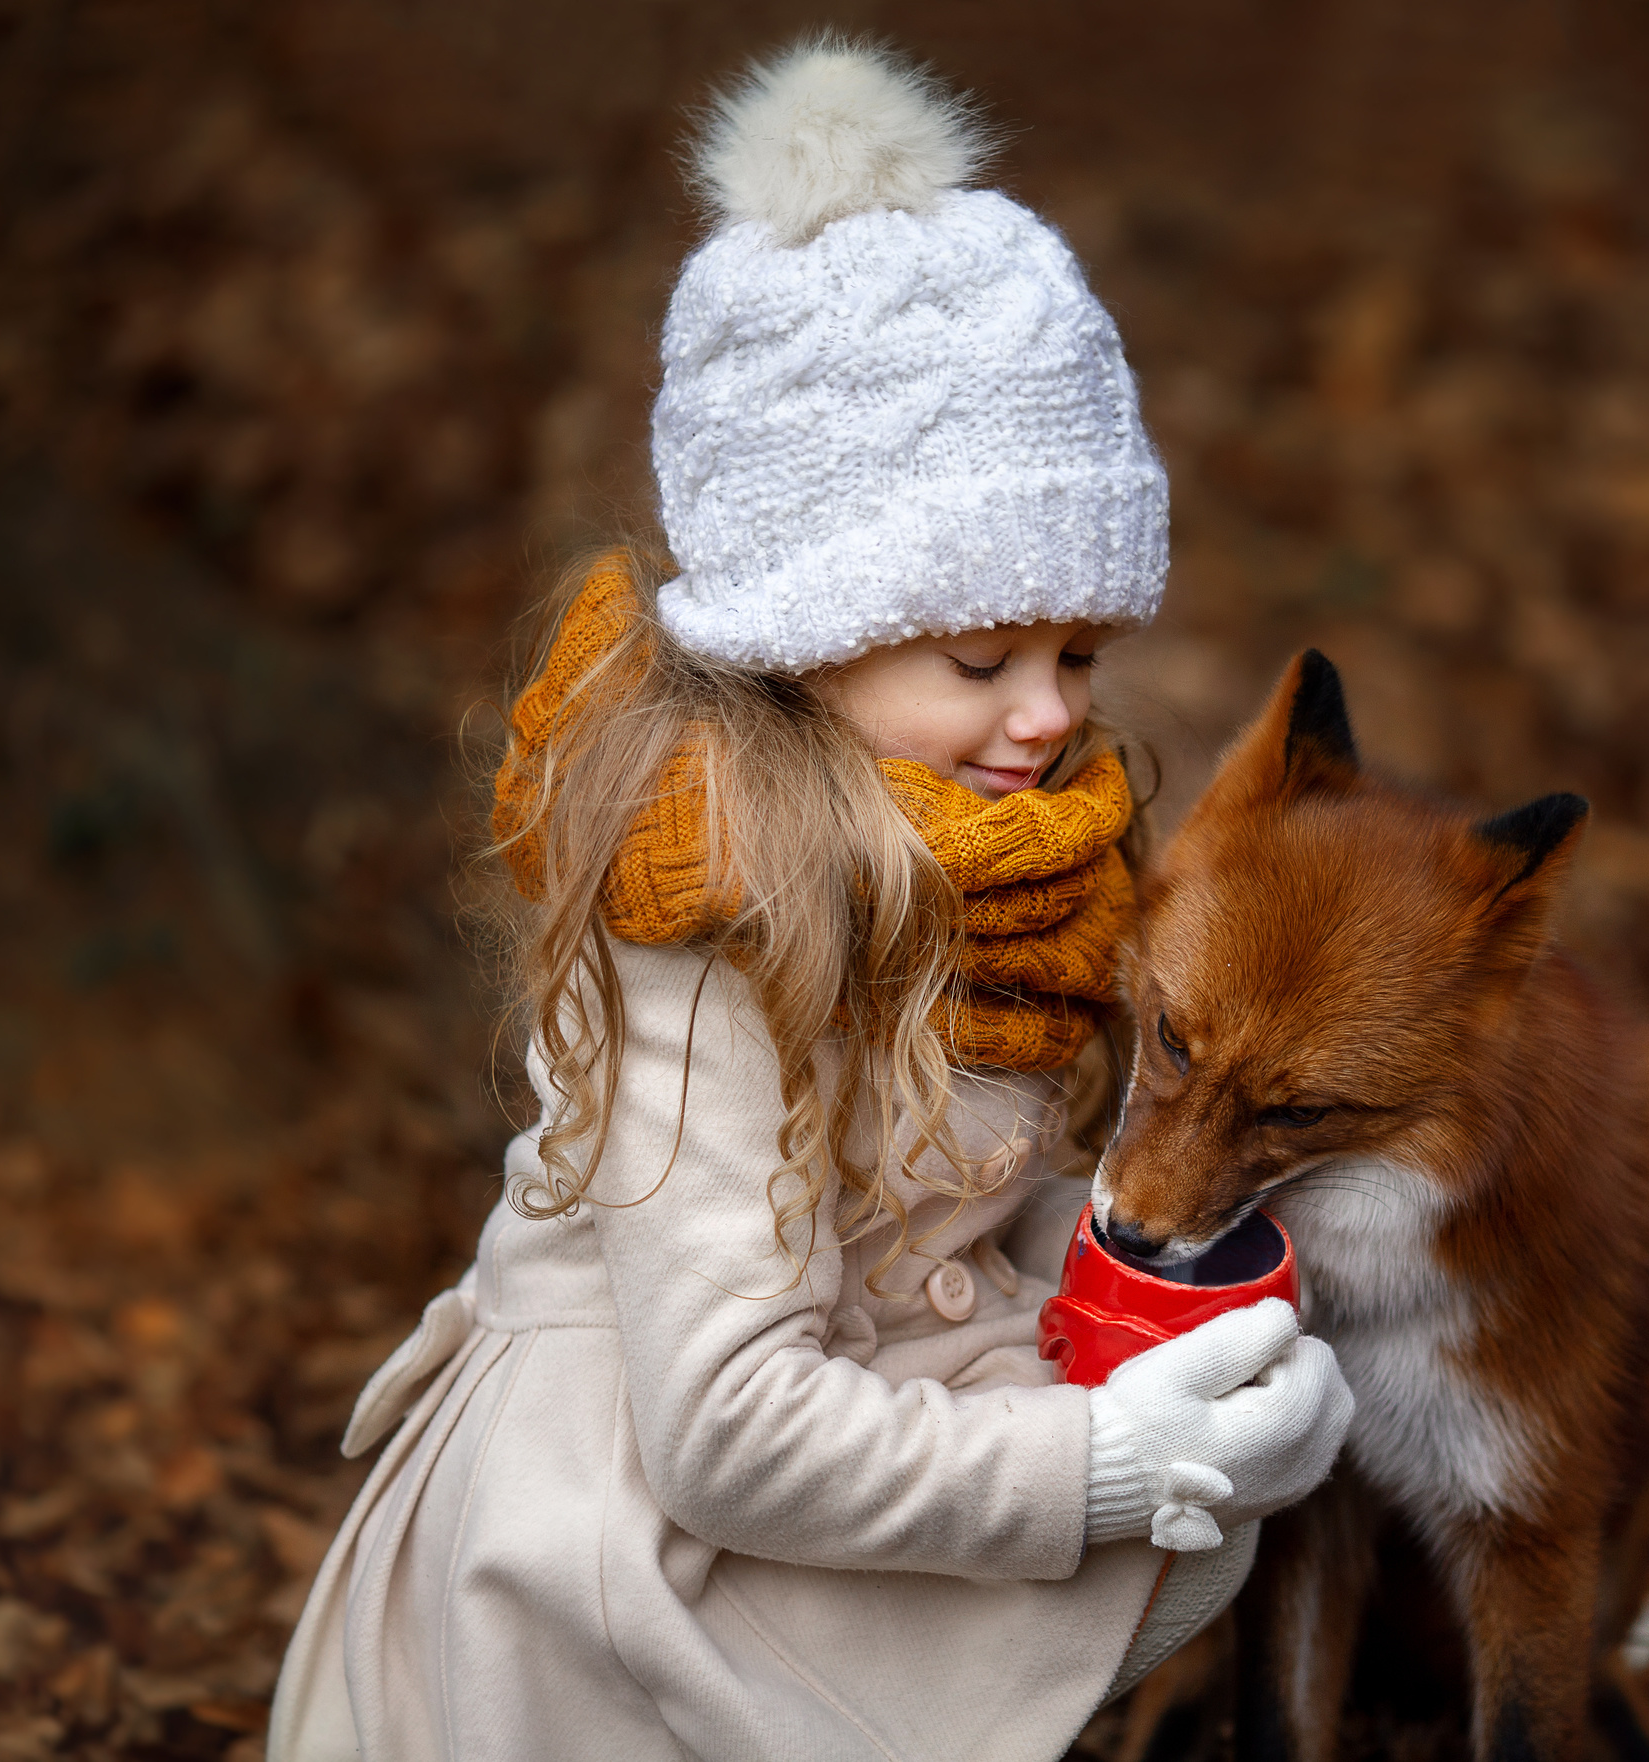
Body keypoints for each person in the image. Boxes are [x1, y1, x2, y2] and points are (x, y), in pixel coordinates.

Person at [268, 37, 1353, 1762]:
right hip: (623, 1559)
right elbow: (726, 1428)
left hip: (857, 1416)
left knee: (1189, 1499)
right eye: (983, 652)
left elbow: (954, 1194)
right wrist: (1111, 1458)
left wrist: (1193, 1305)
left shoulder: (1004, 857)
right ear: (804, 630)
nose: (1054, 712)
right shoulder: (711, 921)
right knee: (1126, 1514)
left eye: (1080, 649)